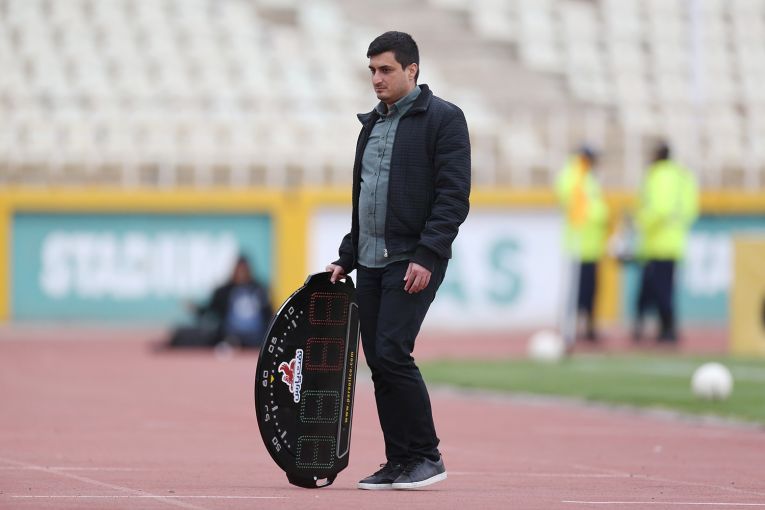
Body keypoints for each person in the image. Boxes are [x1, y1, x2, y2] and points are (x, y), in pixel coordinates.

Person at [325, 31, 470, 490]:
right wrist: (346, 257)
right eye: (372, 70)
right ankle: (400, 460)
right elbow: (364, 199)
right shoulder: (371, 124)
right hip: (369, 260)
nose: (376, 78)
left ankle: (427, 456)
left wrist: (428, 254)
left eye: (385, 69)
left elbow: (453, 197)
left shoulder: (444, 119)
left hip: (412, 259)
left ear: (412, 70)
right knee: (379, 360)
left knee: (391, 351)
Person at [633, 142, 698, 344]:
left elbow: (659, 209)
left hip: (657, 242)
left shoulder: (659, 176)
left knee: (655, 288)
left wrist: (641, 221)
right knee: (665, 288)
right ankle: (666, 328)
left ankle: (663, 329)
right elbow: (690, 209)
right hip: (673, 241)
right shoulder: (681, 175)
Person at [555, 146, 609, 342]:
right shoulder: (574, 176)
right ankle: (569, 328)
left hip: (591, 244)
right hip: (578, 244)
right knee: (577, 291)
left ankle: (588, 327)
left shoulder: (586, 177)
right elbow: (575, 204)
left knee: (590, 290)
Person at [190, 254, 273, 349]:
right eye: (239, 270)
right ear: (234, 271)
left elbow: (268, 312)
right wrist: (196, 309)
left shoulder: (259, 289)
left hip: (256, 336)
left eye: (244, 270)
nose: (241, 274)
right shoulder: (224, 291)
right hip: (232, 335)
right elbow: (211, 310)